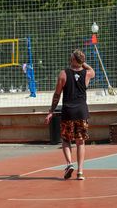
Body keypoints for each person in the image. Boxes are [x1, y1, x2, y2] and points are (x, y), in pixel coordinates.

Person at [44, 49, 95, 180]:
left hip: (68, 111)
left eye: (71, 56)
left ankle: (69, 164)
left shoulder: (63, 74)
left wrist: (51, 111)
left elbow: (57, 94)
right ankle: (80, 172)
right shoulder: (88, 73)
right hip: (82, 111)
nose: (69, 57)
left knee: (66, 140)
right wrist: (83, 63)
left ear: (73, 60)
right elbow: (91, 69)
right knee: (80, 142)